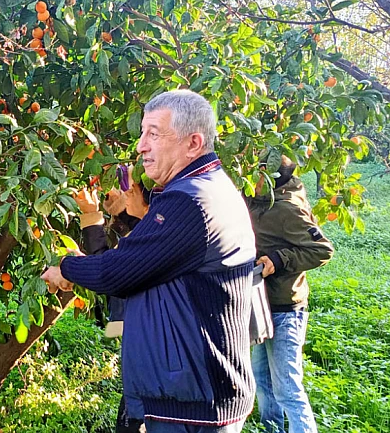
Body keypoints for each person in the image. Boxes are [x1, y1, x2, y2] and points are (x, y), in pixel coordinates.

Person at [43, 89, 257, 433]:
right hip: (192, 397)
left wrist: (65, 268)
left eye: (154, 134)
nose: (141, 145)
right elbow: (150, 261)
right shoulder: (203, 188)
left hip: (192, 406)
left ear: (193, 143)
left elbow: (117, 273)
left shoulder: (191, 202)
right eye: (143, 133)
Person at [246, 156, 334, 433]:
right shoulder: (253, 199)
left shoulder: (287, 209)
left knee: (287, 387)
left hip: (285, 309)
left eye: (257, 173)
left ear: (272, 178)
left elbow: (322, 250)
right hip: (260, 303)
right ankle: (271, 429)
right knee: (262, 379)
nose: (250, 177)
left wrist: (279, 259)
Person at [74, 183, 149, 433]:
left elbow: (108, 271)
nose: (126, 193)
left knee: (135, 409)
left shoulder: (152, 233)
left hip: (146, 336)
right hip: (142, 331)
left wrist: (90, 214)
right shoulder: (159, 224)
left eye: (131, 191)